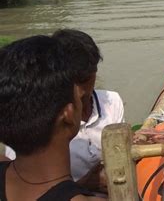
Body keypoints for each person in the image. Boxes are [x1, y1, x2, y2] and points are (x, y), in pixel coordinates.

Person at [5, 29, 124, 194]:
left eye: (86, 79)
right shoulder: (36, 119)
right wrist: (83, 185)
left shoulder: (112, 101)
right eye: (73, 81)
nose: (80, 91)